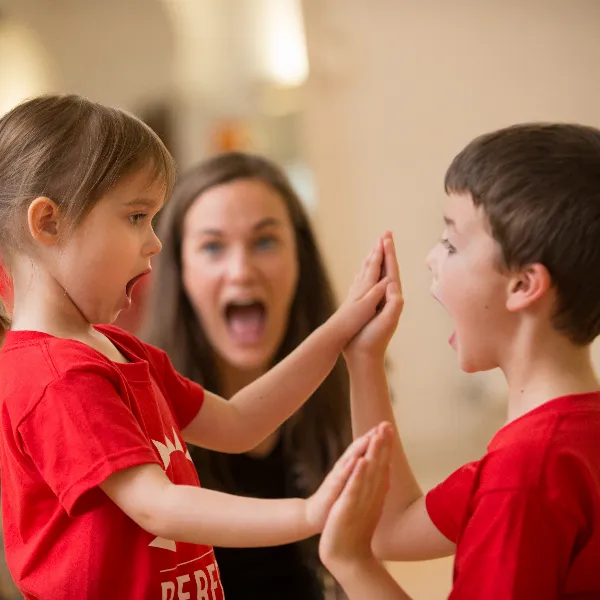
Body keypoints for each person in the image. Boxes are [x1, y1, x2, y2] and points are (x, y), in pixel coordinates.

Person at [0, 93, 396, 600]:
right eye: (136, 217)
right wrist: (309, 512)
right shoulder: (57, 376)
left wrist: (341, 329)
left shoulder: (121, 350)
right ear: (49, 223)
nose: (154, 242)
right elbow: (155, 505)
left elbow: (237, 423)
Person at [318, 124, 600, 599]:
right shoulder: (562, 445)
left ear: (523, 285)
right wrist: (365, 360)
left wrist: (352, 564)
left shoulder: (523, 476)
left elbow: (379, 541)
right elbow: (396, 526)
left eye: (450, 243)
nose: (431, 258)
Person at [142, 152, 353, 599]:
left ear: (301, 258)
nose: (241, 271)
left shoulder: (342, 384)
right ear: (179, 272)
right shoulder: (141, 402)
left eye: (265, 242)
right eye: (213, 247)